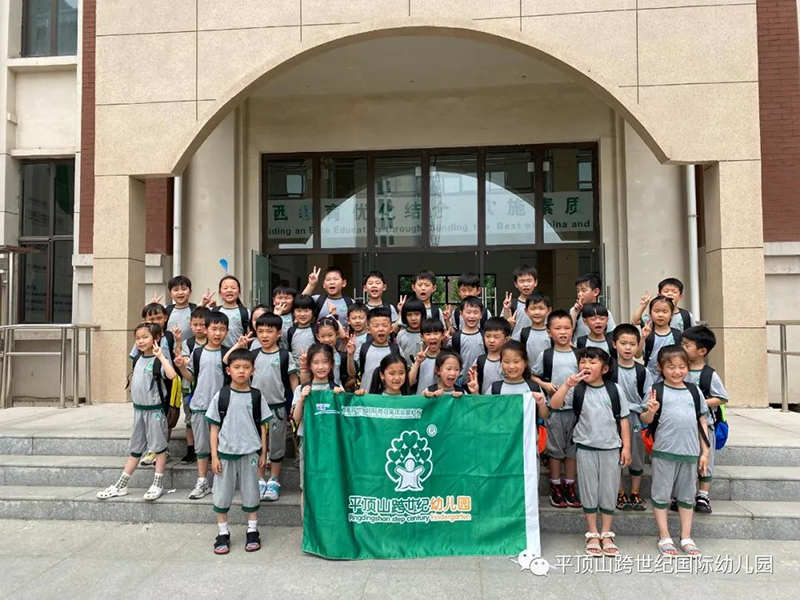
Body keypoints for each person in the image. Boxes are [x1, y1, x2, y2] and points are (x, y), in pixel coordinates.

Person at [550, 347, 631, 557]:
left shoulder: (615, 390)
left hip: (611, 448)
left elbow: (623, 419)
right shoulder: (577, 389)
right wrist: (567, 385)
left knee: (608, 491)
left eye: (592, 362)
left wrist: (626, 447)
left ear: (604, 369)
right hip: (585, 448)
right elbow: (554, 405)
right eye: (583, 362)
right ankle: (592, 532)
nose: (586, 366)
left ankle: (607, 533)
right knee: (588, 491)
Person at [640, 345, 710, 557]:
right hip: (664, 451)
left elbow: (702, 421)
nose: (677, 371)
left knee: (687, 496)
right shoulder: (656, 390)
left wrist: (705, 452)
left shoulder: (694, 391)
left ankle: (686, 536)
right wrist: (650, 411)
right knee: (661, 495)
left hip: (690, 453)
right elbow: (645, 419)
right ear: (660, 368)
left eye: (682, 367)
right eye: (671, 367)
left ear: (688, 367)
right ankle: (664, 535)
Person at [97, 323, 177, 501]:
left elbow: (172, 375)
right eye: (138, 338)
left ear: (156, 339)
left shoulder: (159, 360)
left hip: (155, 411)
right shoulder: (138, 358)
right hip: (139, 411)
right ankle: (122, 484)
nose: (141, 341)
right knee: (135, 449)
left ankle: (158, 483)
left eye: (145, 337)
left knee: (159, 448)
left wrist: (161, 356)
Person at [228, 313, 300, 502]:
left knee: (276, 446)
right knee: (258, 445)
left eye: (269, 331)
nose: (264, 335)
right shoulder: (252, 355)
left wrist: (295, 402)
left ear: (279, 333)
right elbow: (228, 362)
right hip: (255, 408)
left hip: (277, 408)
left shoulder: (284, 355)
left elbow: (293, 380)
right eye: (260, 331)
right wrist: (239, 346)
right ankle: (259, 479)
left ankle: (274, 480)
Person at [206, 348, 272, 555]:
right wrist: (214, 456)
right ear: (228, 370)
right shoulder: (222, 395)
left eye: (246, 367)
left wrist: (263, 453)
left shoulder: (256, 396)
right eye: (237, 367)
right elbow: (214, 428)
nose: (241, 371)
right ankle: (222, 532)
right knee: (222, 495)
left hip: (250, 453)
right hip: (225, 454)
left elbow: (263, 426)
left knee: (251, 492)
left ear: (253, 370)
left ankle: (252, 530)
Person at [174, 311, 230, 500]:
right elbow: (191, 377)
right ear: (206, 330)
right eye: (214, 329)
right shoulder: (197, 353)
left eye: (222, 329)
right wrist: (181, 366)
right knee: (202, 447)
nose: (218, 333)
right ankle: (202, 481)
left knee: (221, 446)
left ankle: (219, 481)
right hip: (199, 405)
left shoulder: (227, 354)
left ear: (227, 332)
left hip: (222, 409)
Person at [531, 310, 580, 509]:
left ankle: (570, 485)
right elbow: (532, 375)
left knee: (572, 451)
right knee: (555, 451)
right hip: (553, 412)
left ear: (573, 329)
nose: (563, 332)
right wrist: (544, 384)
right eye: (557, 328)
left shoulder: (579, 354)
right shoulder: (546, 355)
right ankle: (555, 486)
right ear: (549, 331)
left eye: (567, 328)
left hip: (575, 411)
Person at [291, 344, 345, 514]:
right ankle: (307, 527)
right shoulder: (302, 389)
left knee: (331, 485)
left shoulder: (337, 389)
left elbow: (344, 420)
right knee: (307, 486)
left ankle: (328, 524)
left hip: (332, 446)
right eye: (316, 362)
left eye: (325, 362)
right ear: (309, 365)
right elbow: (296, 418)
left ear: (331, 364)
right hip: (309, 445)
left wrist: (341, 397)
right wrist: (301, 399)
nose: (321, 367)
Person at [682, 325, 729, 514]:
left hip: (704, 426)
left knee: (705, 461)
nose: (682, 348)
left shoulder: (709, 374)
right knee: (684, 460)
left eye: (687, 345)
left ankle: (703, 494)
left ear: (702, 351)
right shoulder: (680, 369)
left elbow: (722, 397)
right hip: (682, 426)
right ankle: (681, 493)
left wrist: (699, 402)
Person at [611, 324, 653, 511]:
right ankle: (619, 491)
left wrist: (644, 412)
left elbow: (647, 397)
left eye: (632, 344)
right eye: (623, 343)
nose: (628, 348)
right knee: (615, 454)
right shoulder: (609, 369)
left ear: (638, 346)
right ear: (615, 344)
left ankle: (635, 492)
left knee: (636, 455)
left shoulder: (642, 372)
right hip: (612, 419)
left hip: (635, 419)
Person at [179, 305, 211, 465]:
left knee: (210, 418)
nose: (199, 328)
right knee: (190, 419)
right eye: (195, 324)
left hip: (209, 386)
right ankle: (191, 449)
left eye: (202, 325)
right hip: (190, 386)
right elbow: (185, 361)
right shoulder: (188, 343)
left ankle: (210, 449)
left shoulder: (214, 342)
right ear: (190, 325)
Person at [351, 307, 401, 390]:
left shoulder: (396, 349)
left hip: (389, 395)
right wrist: (350, 355)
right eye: (376, 326)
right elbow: (352, 373)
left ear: (391, 329)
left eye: (385, 325)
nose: (381, 329)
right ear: (368, 330)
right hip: (367, 395)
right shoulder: (364, 348)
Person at [638, 295, 683, 379]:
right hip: (650, 378)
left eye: (665, 312)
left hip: (672, 377)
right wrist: (643, 338)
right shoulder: (648, 334)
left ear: (671, 314)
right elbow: (637, 355)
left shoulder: (677, 334)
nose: (660, 315)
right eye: (656, 311)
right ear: (650, 314)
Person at [448, 296, 487, 379]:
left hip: (482, 379)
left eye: (475, 312)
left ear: (481, 315)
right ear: (461, 314)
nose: (472, 316)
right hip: (462, 380)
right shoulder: (457, 337)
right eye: (468, 312)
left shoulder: (485, 336)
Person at [470, 317, 511, 394]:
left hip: (505, 399)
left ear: (506, 339)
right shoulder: (480, 361)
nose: (491, 340)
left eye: (496, 337)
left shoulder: (510, 361)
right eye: (488, 336)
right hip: (485, 400)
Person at [311, 315, 354, 389]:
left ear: (337, 334)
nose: (327, 339)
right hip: (318, 391)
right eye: (323, 336)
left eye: (330, 335)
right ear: (318, 337)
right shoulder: (314, 355)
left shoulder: (341, 356)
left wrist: (350, 355)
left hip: (337, 392)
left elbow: (351, 375)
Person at [571, 273, 616, 340]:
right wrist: (575, 312)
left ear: (595, 292)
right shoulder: (574, 310)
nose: (579, 294)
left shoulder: (605, 313)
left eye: (583, 290)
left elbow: (612, 335)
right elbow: (568, 331)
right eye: (578, 291)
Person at [409, 318, 446, 393]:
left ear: (442, 335)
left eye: (436, 333)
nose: (432, 337)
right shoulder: (419, 358)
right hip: (421, 398)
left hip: (441, 398)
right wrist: (417, 362)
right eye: (428, 334)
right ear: (422, 337)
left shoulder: (447, 358)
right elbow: (410, 382)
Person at [514, 292, 552, 364]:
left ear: (549, 310)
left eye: (541, 308)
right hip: (528, 371)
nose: (537, 312)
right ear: (526, 311)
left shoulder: (553, 333)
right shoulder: (523, 333)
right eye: (533, 308)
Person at [212, 275, 250, 348]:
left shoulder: (245, 312)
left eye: (233, 288)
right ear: (220, 292)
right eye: (225, 288)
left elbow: (249, 334)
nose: (229, 290)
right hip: (218, 351)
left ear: (239, 291)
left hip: (238, 352)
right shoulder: (214, 311)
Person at [503, 264, 538, 337]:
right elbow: (502, 329)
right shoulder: (511, 304)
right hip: (516, 343)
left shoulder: (541, 304)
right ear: (516, 284)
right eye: (522, 281)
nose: (526, 284)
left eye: (529, 281)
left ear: (535, 282)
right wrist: (506, 310)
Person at [286, 294, 316, 362]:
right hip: (295, 366)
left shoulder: (316, 329)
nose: (302, 314)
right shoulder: (291, 331)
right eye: (299, 311)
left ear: (313, 312)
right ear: (293, 313)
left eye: (306, 311)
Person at [396, 298, 425, 366]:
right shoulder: (401, 334)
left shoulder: (427, 334)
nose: (413, 318)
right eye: (409, 315)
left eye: (417, 314)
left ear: (422, 315)